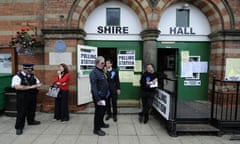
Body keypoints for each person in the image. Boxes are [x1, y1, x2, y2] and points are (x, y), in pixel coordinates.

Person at [11, 64, 42, 135]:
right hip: (22, 97)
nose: (30, 71)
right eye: (29, 70)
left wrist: (38, 85)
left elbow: (38, 83)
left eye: (31, 70)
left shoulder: (32, 76)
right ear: (24, 69)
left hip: (32, 96)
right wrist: (31, 87)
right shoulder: (17, 76)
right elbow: (17, 87)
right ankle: (19, 127)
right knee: (21, 112)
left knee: (31, 109)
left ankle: (31, 121)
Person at [89, 56, 110, 136]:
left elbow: (106, 80)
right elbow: (94, 87)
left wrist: (105, 72)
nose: (104, 64)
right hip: (99, 97)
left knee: (103, 111)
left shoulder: (102, 71)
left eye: (104, 62)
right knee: (98, 113)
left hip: (104, 96)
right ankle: (96, 129)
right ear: (97, 63)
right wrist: (97, 99)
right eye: (102, 62)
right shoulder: (93, 73)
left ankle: (101, 123)